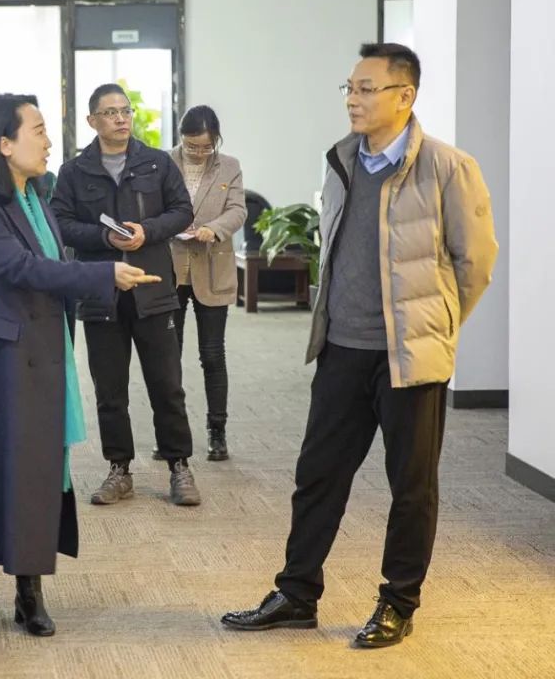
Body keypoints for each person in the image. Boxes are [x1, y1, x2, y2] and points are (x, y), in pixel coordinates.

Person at [221, 43, 498, 647]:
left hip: (410, 358)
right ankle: (297, 593)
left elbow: (475, 262)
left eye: (367, 88)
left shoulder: (448, 167)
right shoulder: (341, 160)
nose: (353, 98)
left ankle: (398, 602)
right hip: (341, 348)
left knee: (411, 487)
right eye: (349, 87)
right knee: (317, 475)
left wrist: (437, 325)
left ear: (405, 96)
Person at [0, 94, 159, 642]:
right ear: (3, 144)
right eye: (37, 131)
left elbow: (51, 261)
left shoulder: (36, 195)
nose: (48, 141)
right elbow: (23, 268)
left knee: (36, 471)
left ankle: (29, 592)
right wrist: (104, 275)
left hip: (38, 354)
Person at [51, 83, 200, 506]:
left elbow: (182, 211)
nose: (120, 118)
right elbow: (60, 222)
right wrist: (104, 237)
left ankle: (179, 466)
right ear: (92, 120)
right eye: (110, 112)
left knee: (167, 386)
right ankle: (119, 469)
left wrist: (146, 231)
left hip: (153, 290)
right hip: (102, 293)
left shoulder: (156, 162)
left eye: (125, 111)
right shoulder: (74, 172)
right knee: (110, 391)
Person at [166, 105, 247, 461]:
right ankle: (172, 433)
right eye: (191, 146)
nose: (199, 153)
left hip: (213, 266)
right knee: (168, 356)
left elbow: (238, 210)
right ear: (181, 138)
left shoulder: (229, 166)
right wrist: (170, 225)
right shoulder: (164, 162)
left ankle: (217, 431)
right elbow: (151, 208)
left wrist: (213, 229)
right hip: (172, 267)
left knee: (212, 355)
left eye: (206, 146)